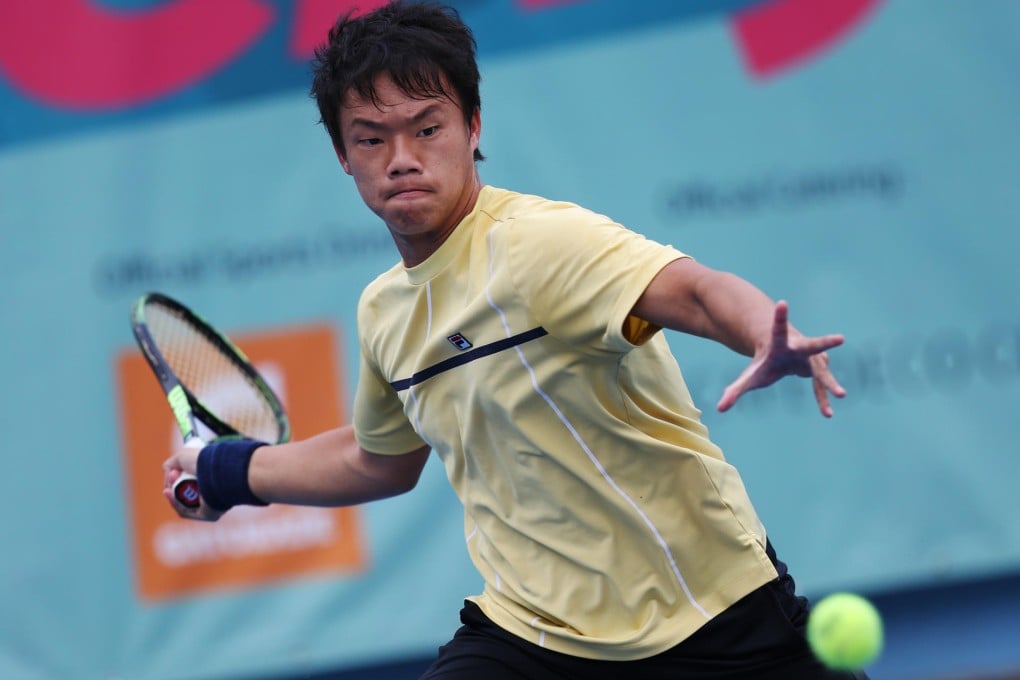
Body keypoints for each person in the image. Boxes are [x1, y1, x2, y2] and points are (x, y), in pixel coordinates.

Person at [163, 2, 864, 678]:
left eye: (426, 128)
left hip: (710, 615)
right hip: (536, 636)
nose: (401, 158)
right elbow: (380, 459)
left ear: (472, 126)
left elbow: (696, 291)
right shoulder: (384, 310)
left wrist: (761, 337)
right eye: (372, 138)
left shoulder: (540, 246)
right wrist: (228, 473)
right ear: (344, 156)